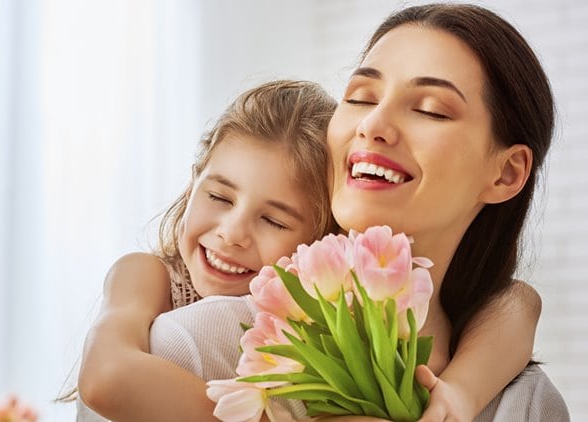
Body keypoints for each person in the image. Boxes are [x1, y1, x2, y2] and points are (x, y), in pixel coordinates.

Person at [149, 3, 569, 421]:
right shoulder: (194, 345)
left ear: (506, 174)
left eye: (430, 109)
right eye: (359, 98)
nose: (373, 124)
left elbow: (517, 299)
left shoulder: (526, 405)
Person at [76, 72, 545, 422]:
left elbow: (518, 302)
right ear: (193, 182)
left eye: (274, 219)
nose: (232, 232)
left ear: (320, 243)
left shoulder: (332, 304)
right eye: (218, 196)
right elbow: (105, 378)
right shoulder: (149, 276)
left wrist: (459, 393)